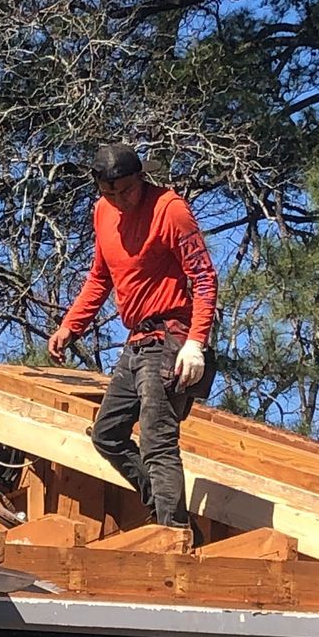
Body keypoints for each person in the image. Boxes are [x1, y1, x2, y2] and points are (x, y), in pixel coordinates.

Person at [47, 141, 218, 534]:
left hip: (171, 337)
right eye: (110, 192)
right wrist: (71, 326)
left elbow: (204, 278)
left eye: (127, 190)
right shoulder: (103, 213)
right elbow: (100, 277)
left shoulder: (170, 210)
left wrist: (196, 343)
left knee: (157, 440)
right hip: (136, 341)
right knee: (107, 435)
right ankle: (165, 514)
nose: (120, 199)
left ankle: (172, 533)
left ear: (141, 178)